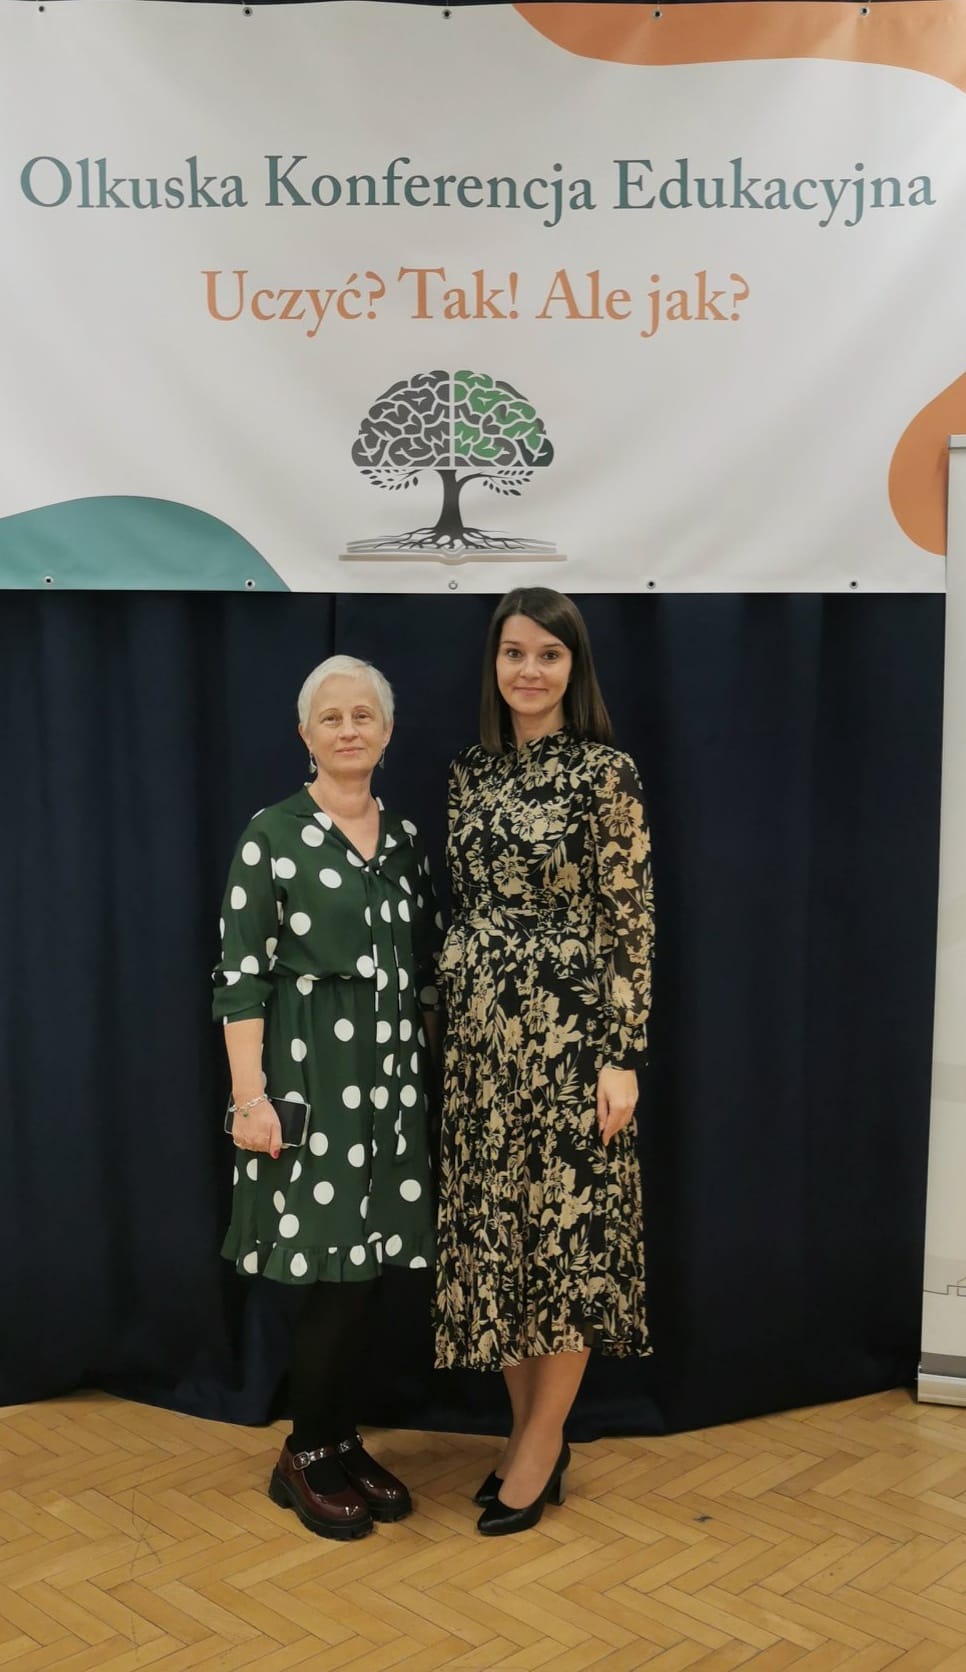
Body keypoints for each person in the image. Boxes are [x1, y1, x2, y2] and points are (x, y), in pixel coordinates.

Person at [435, 587, 654, 1536]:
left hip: (570, 1036)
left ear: (575, 666)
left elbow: (630, 920)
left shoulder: (606, 773)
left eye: (549, 655)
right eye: (514, 652)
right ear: (494, 663)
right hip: (481, 1042)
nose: (530, 670)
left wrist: (622, 1055)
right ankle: (531, 1435)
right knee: (504, 1238)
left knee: (567, 1241)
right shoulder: (468, 772)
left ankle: (536, 1448)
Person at [213, 654, 441, 1541]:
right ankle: (303, 1452)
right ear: (305, 734)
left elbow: (426, 971)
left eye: (364, 715)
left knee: (369, 1272)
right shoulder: (270, 835)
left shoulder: (408, 840)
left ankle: (341, 1438)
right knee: (329, 1277)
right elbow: (240, 977)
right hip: (310, 1086)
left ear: (387, 731)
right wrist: (250, 1101)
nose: (349, 729)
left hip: (392, 1091)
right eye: (331, 717)